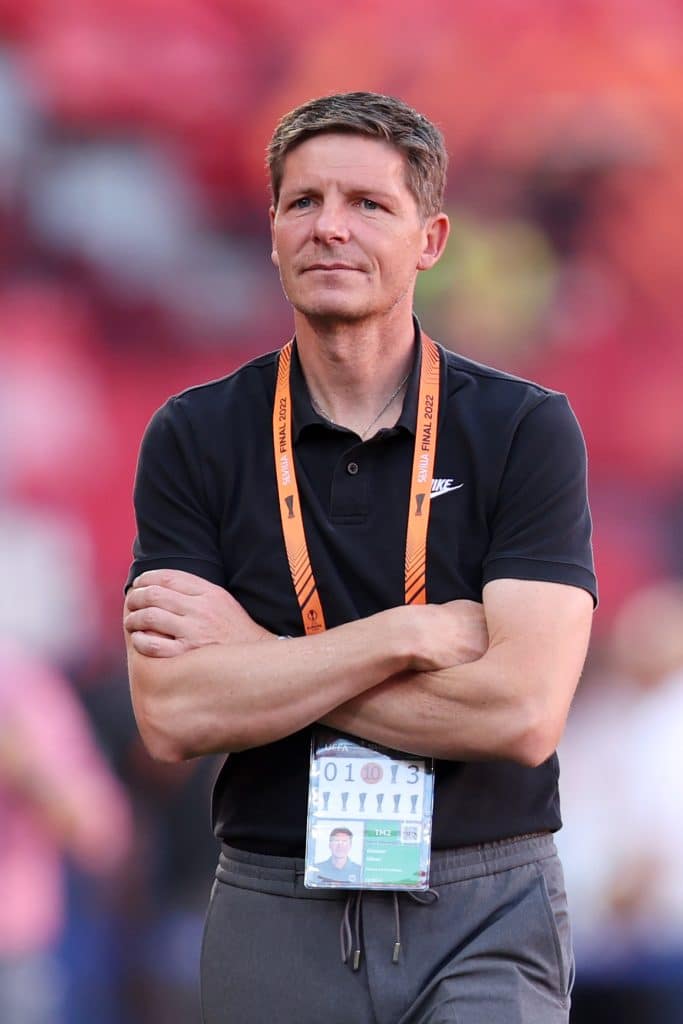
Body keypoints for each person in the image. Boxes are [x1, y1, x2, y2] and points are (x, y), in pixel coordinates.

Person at [124, 91, 596, 1023]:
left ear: (431, 238)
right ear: (270, 231)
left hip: (483, 901)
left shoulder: (523, 429)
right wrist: (408, 635)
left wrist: (257, 661)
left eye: (367, 205)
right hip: (273, 898)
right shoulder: (194, 433)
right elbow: (173, 713)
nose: (328, 229)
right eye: (303, 203)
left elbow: (522, 713)